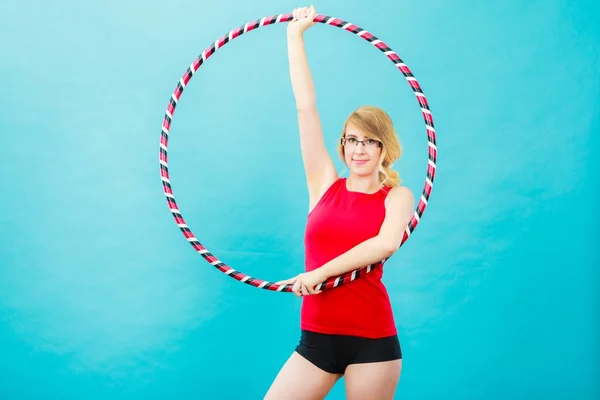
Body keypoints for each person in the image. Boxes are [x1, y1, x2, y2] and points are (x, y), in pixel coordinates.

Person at [265, 5, 415, 400]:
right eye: (352, 140)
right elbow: (305, 108)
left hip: (373, 341)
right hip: (316, 339)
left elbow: (385, 244)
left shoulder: (398, 196)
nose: (359, 149)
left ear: (384, 148)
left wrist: (317, 275)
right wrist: (294, 37)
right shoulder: (323, 186)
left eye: (369, 140)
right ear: (343, 146)